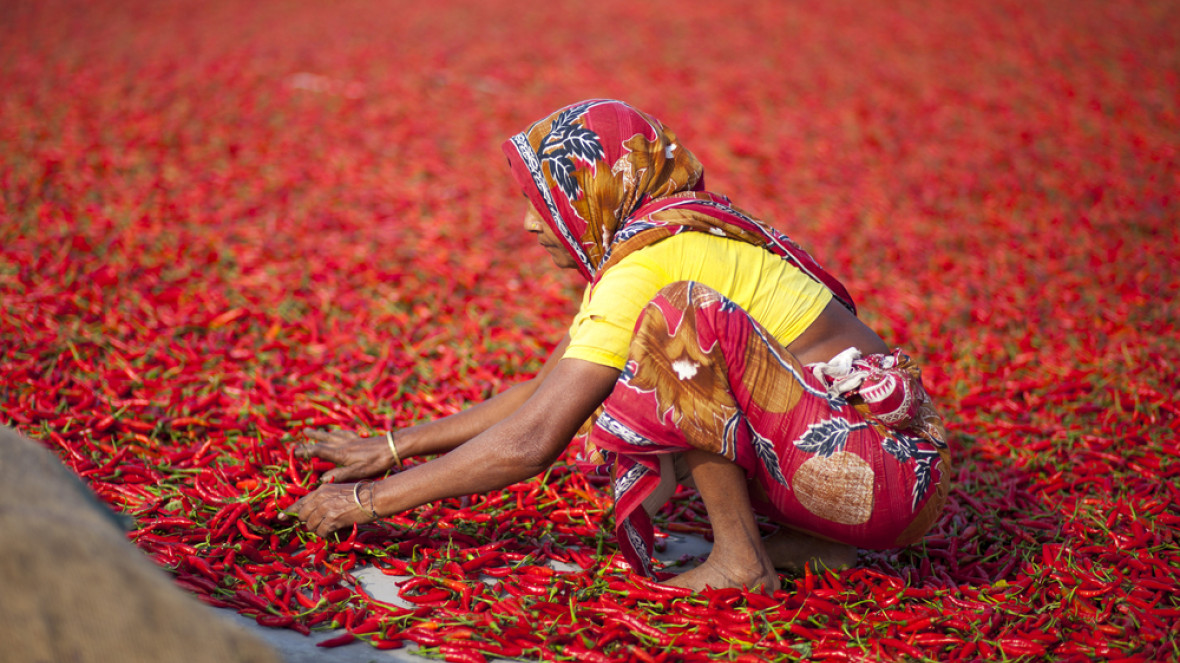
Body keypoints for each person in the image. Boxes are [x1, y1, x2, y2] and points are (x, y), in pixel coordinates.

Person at [288, 99, 951, 592]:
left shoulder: (650, 264)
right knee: (672, 342)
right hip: (890, 470)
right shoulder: (666, 236)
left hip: (883, 475)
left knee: (683, 332)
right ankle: (819, 542)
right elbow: (544, 391)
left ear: (599, 193)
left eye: (547, 202)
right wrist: (395, 446)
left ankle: (740, 561)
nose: (528, 223)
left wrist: (367, 502)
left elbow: (534, 439)